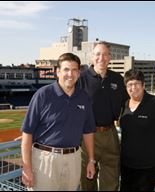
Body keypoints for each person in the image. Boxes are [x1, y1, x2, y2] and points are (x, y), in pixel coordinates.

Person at [21, 53, 96, 191]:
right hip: (45, 160)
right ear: (58, 72)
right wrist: (27, 168)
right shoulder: (43, 95)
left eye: (74, 70)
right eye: (66, 69)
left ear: (79, 73)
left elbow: (88, 131)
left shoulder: (83, 97)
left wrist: (91, 160)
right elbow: (27, 133)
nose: (70, 74)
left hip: (74, 159)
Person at [78, 41, 128, 191]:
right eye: (98, 54)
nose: (102, 57)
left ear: (110, 57)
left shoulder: (118, 79)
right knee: (87, 181)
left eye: (105, 54)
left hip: (110, 133)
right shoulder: (82, 78)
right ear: (92, 57)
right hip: (87, 135)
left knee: (112, 182)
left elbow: (127, 104)